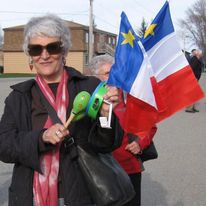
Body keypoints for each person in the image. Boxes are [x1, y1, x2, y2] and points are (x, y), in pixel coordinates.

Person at [0, 14, 123, 206]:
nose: (45, 55)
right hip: (30, 196)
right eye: (36, 49)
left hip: (79, 195)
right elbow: (4, 146)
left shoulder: (89, 87)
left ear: (64, 50)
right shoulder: (19, 97)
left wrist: (106, 116)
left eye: (52, 47)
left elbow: (106, 145)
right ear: (30, 55)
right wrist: (41, 138)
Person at [89, 54, 157, 206]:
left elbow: (150, 125)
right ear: (95, 77)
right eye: (107, 73)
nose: (113, 77)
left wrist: (140, 143)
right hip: (101, 169)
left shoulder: (129, 96)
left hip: (129, 167)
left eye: (115, 72)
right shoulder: (90, 100)